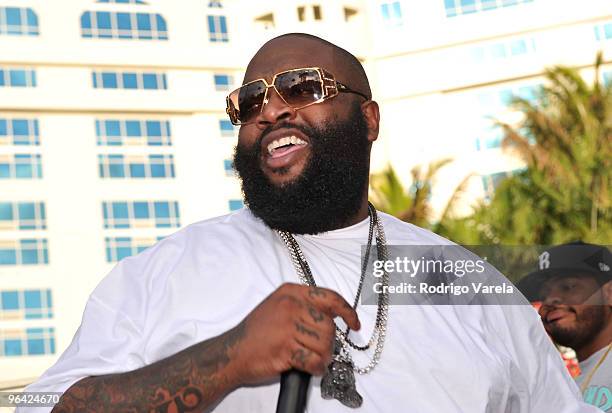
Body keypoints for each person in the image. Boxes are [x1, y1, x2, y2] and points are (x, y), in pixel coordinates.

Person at [20, 33, 598, 413]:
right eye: (250, 102)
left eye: (302, 87)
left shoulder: (468, 283)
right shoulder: (161, 274)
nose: (271, 108)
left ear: (367, 118)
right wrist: (227, 358)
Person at [518, 242, 612, 411]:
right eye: (543, 295)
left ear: (609, 293)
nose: (550, 300)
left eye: (568, 287)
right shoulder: (566, 389)